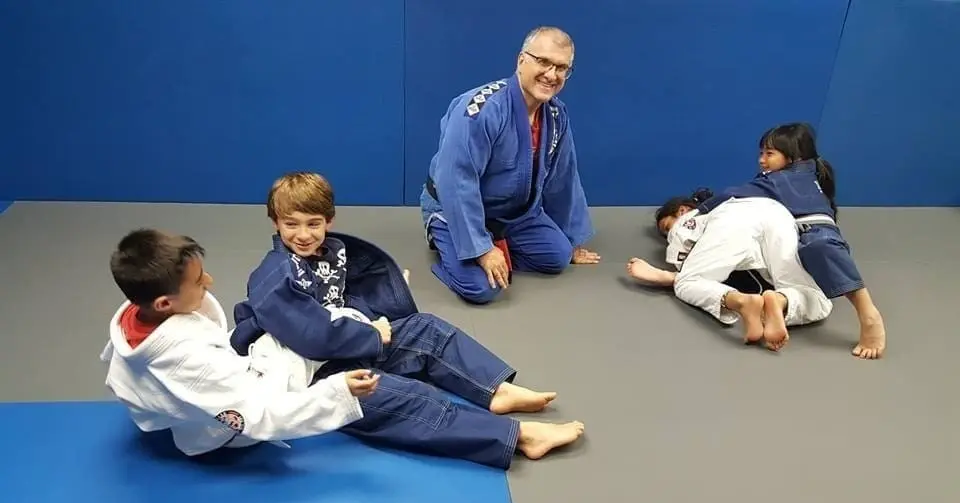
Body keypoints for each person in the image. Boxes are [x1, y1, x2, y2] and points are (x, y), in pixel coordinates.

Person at [229, 172, 585, 470]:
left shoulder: (331, 253)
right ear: (275, 223)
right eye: (291, 224)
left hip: (343, 345)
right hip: (312, 376)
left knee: (427, 330)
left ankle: (496, 391)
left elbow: (339, 300)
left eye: (313, 224)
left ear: (329, 221)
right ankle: (519, 436)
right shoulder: (274, 274)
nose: (303, 234)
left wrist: (386, 297)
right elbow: (310, 334)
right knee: (405, 399)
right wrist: (371, 335)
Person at [100, 228, 382, 457]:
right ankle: (365, 331)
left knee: (275, 328)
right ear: (164, 303)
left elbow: (122, 381)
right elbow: (261, 416)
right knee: (302, 345)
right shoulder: (191, 366)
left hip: (213, 391)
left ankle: (354, 328)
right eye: (198, 281)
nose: (209, 280)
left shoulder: (135, 318)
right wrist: (338, 392)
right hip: (226, 433)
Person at [419, 26, 600, 305]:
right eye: (543, 62)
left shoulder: (555, 114)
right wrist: (481, 249)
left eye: (561, 68)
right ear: (521, 60)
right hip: (453, 209)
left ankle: (495, 243)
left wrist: (571, 239)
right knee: (483, 288)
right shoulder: (479, 110)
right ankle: (453, 247)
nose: (551, 74)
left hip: (513, 213)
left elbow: (563, 179)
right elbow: (455, 180)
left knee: (558, 256)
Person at [693, 123, 886, 359]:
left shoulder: (780, 179)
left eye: (769, 154)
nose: (762, 160)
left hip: (815, 233)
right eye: (761, 153)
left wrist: (699, 210)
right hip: (796, 235)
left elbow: (733, 194)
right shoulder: (807, 174)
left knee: (820, 253)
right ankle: (778, 301)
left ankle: (869, 314)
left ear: (795, 157)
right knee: (803, 284)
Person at [627, 195, 833, 351]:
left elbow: (690, 266)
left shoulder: (686, 221)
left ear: (682, 210)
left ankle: (742, 302)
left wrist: (671, 276)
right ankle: (780, 301)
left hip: (731, 221)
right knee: (818, 299)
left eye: (666, 227)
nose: (667, 234)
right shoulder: (729, 201)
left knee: (686, 282)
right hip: (776, 212)